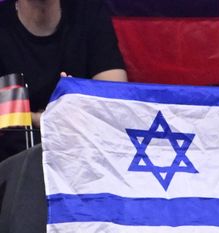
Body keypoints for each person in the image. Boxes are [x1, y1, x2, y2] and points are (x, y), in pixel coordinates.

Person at [0, 0, 127, 161]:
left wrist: (32, 118)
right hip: (11, 161)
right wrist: (49, 118)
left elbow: (115, 103)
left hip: (82, 155)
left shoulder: (89, 13)